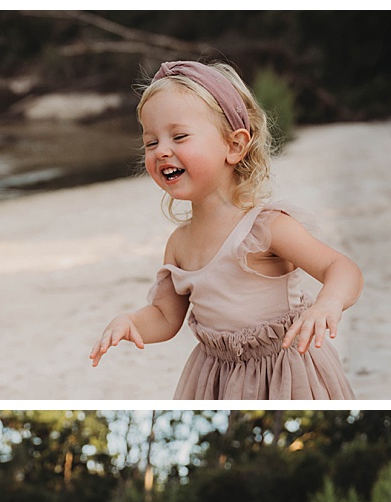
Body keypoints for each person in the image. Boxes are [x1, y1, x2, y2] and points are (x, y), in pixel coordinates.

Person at [90, 59, 362, 398]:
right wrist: (131, 322)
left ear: (234, 145)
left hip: (286, 372)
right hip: (216, 378)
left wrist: (328, 303)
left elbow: (342, 268)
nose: (162, 151)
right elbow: (165, 315)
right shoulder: (180, 243)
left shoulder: (266, 227)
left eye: (179, 136)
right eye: (151, 142)